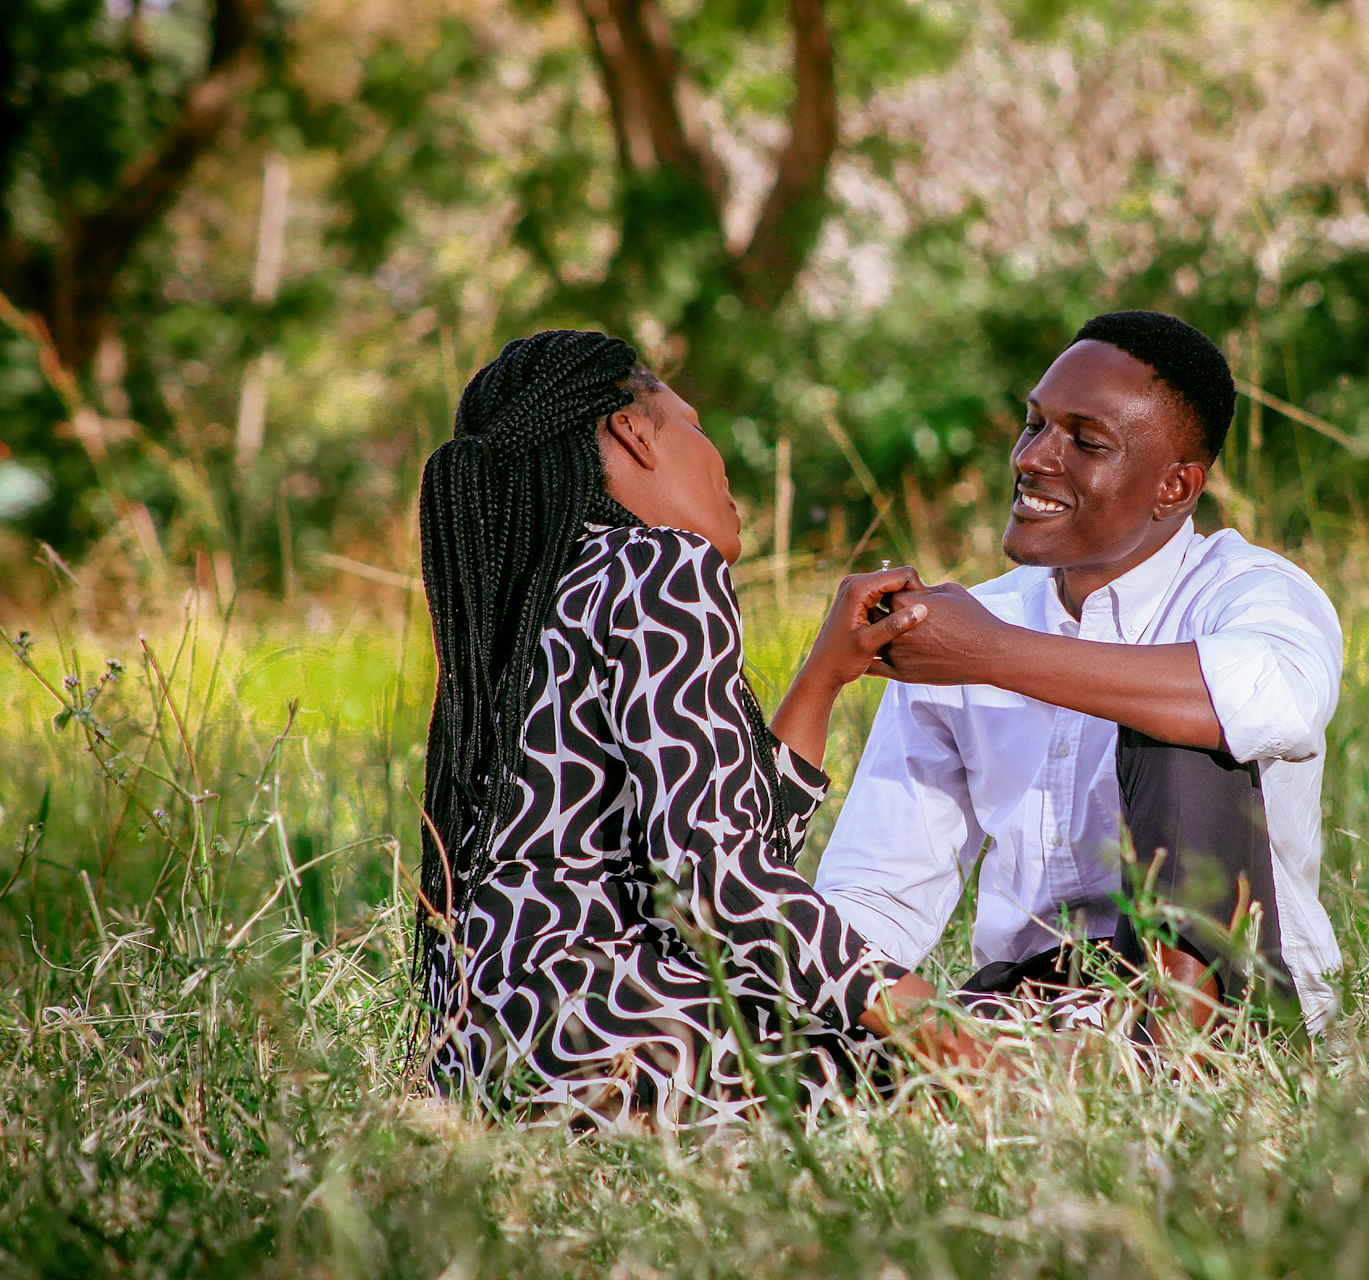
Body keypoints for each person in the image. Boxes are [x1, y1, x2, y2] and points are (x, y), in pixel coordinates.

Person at [414, 329, 983, 1132]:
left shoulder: (526, 599)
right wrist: (926, 1020)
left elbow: (726, 844)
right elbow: (717, 884)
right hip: (624, 1052)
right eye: (694, 423)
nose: (719, 461)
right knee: (967, 1063)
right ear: (634, 433)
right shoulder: (661, 567)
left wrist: (823, 675)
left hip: (491, 1066)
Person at [815, 311, 1345, 1035]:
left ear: (1175, 487)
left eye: (1086, 442)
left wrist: (990, 655)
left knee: (1184, 718)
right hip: (1033, 1009)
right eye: (1034, 425)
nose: (1033, 459)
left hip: (1239, 1002)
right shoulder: (967, 626)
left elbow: (1270, 699)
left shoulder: (1250, 591)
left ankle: (1183, 1054)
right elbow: (877, 892)